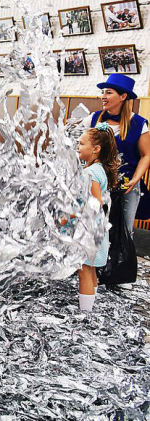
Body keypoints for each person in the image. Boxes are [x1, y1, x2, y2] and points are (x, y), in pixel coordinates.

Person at [82, 74, 150, 235]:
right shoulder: (93, 119)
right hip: (96, 184)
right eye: (103, 92)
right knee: (94, 229)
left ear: (123, 96)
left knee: (124, 231)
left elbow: (146, 155)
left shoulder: (139, 124)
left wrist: (135, 180)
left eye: (108, 92)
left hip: (126, 186)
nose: (103, 96)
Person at [71, 125, 119, 312]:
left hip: (89, 230)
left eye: (82, 143)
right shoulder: (99, 169)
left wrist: (72, 216)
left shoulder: (90, 173)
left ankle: (85, 312)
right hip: (97, 228)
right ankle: (89, 307)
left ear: (96, 149)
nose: (78, 146)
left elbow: (95, 203)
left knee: (84, 271)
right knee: (90, 270)